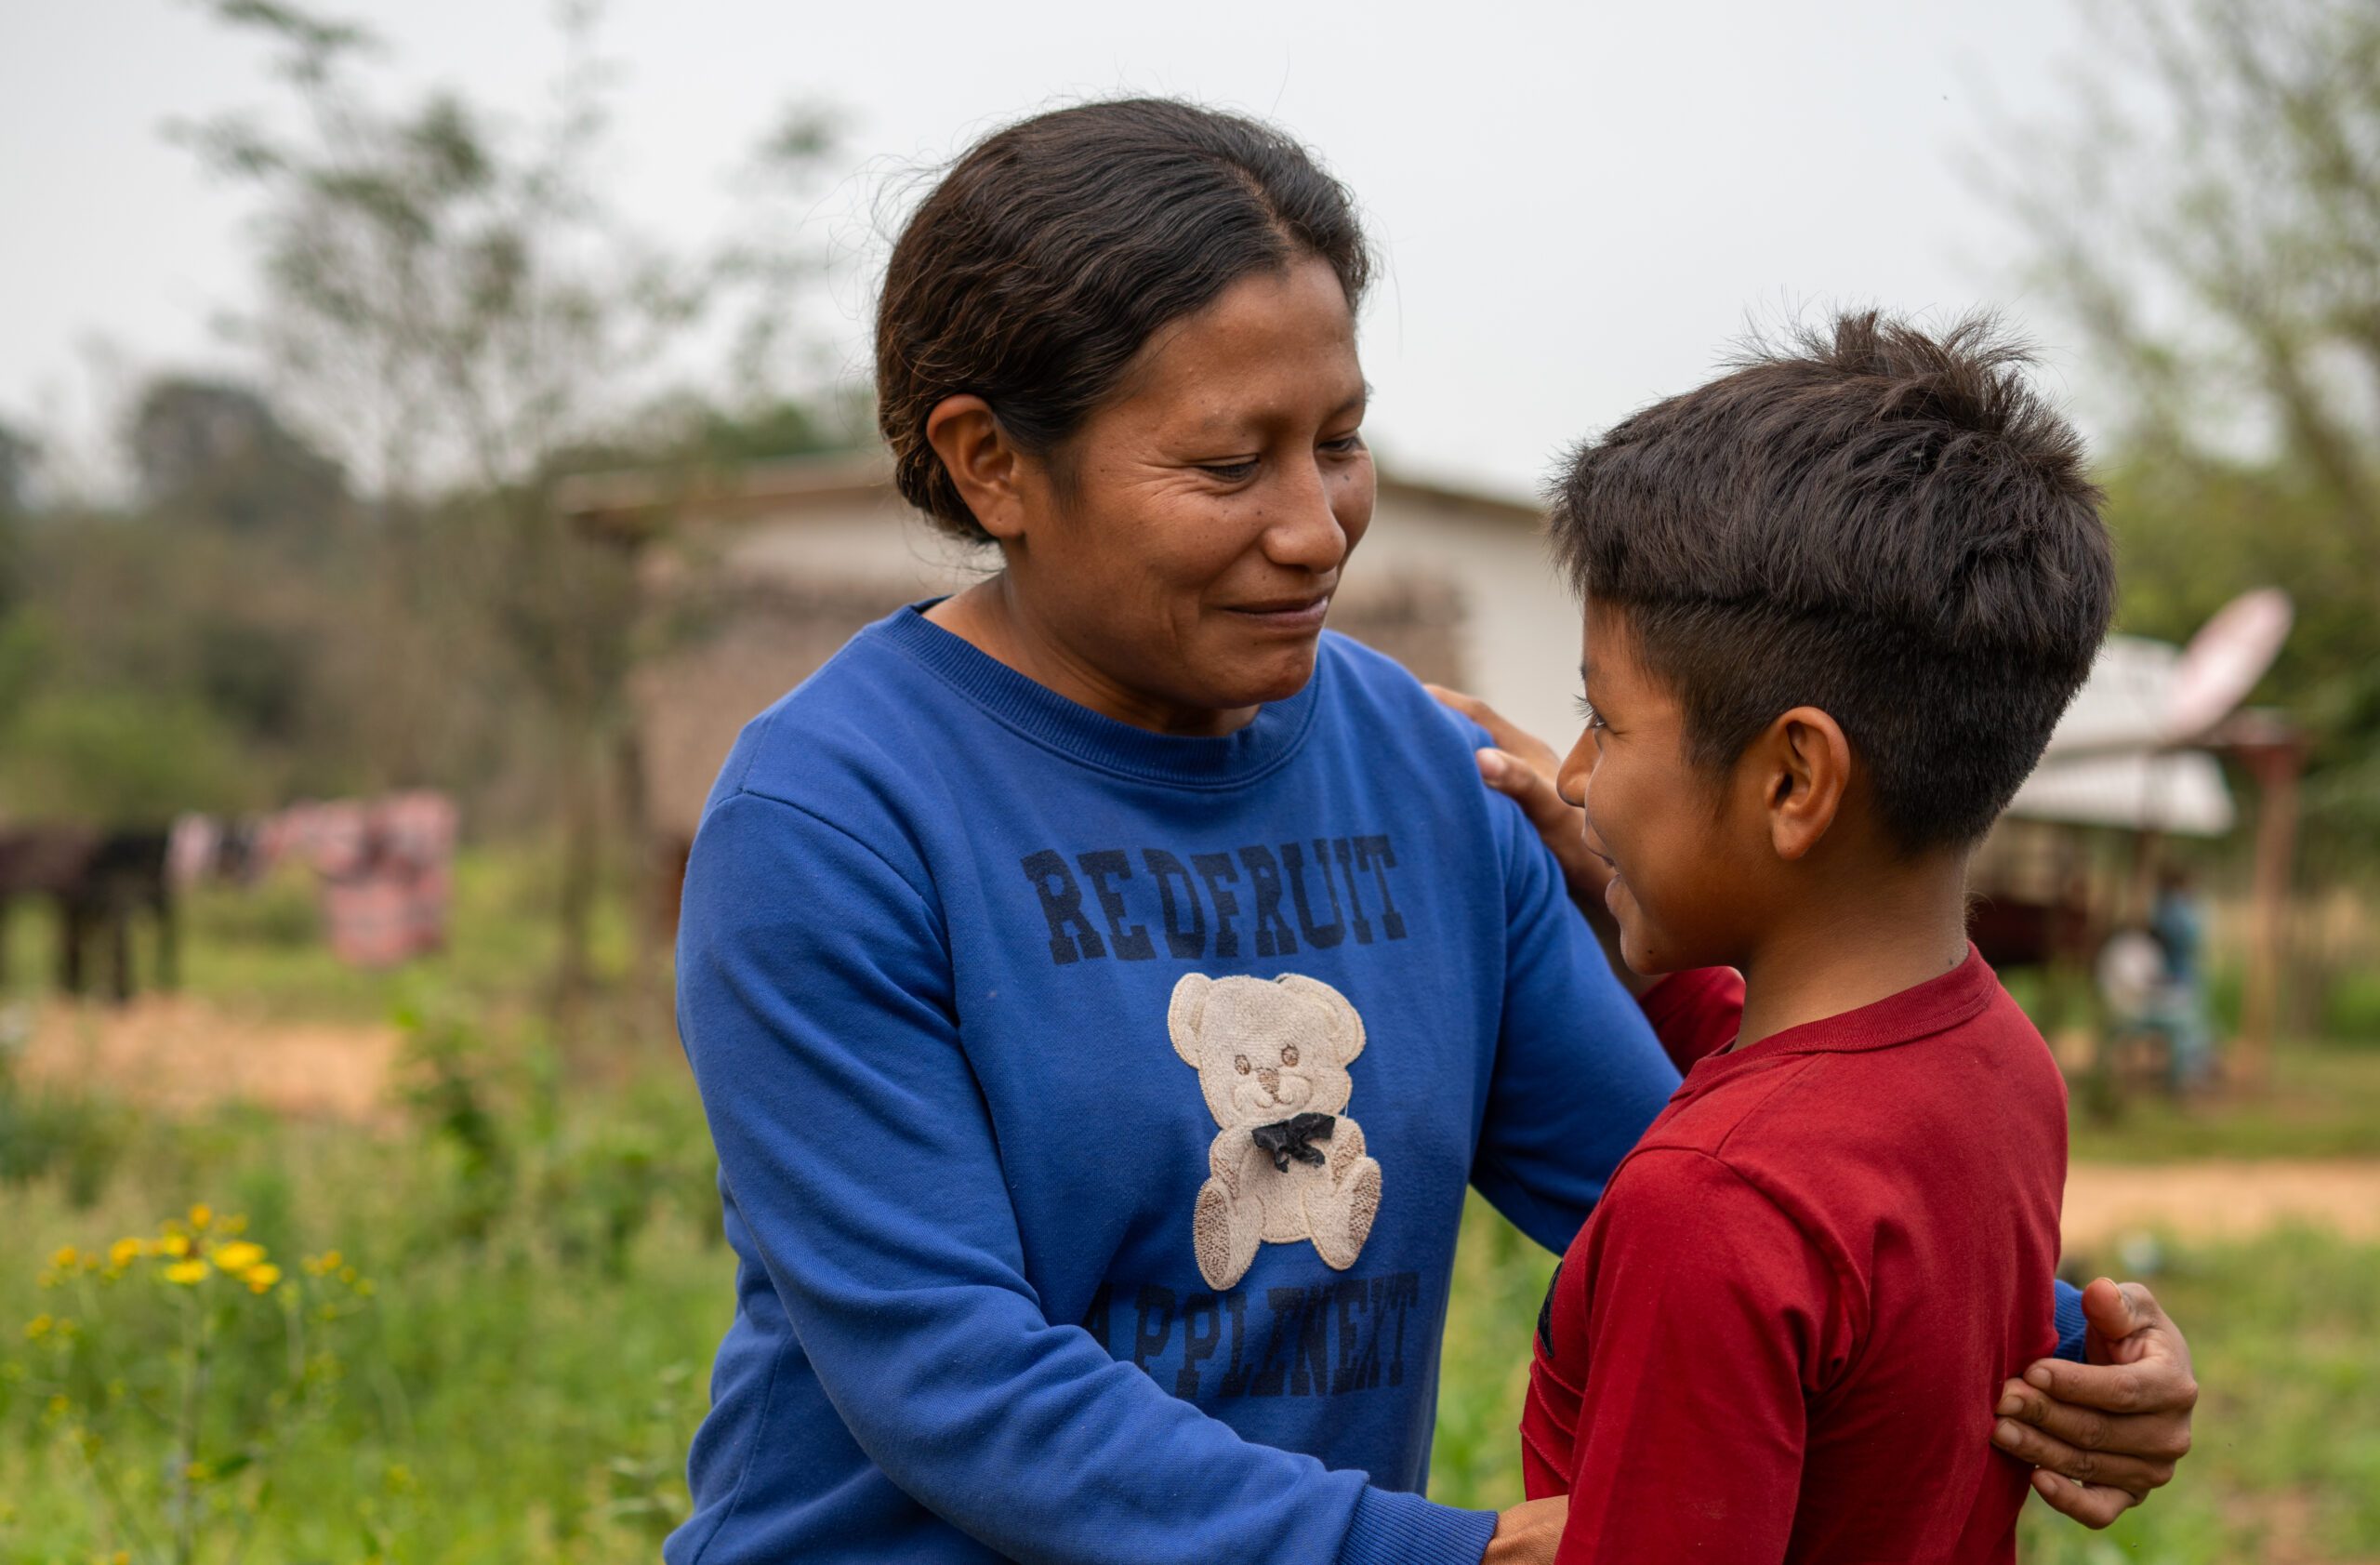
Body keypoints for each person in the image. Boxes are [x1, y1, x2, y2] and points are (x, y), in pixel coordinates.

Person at [668, 99, 2198, 1565]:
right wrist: (1426, 1555)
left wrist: (2054, 1349)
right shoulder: (833, 820)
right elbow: (952, 1378)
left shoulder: (1420, 770)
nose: (1316, 524)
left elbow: (1667, 1175)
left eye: (1338, 439)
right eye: (1226, 463)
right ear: (993, 461)